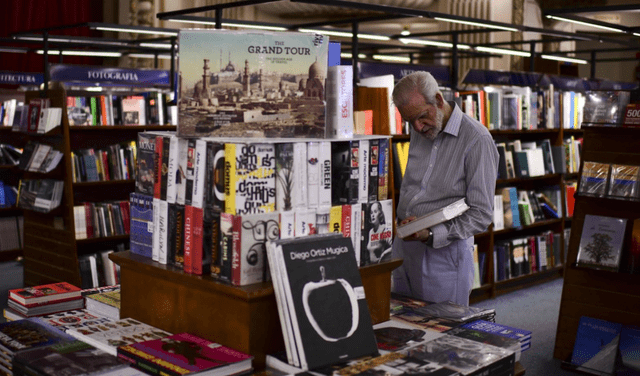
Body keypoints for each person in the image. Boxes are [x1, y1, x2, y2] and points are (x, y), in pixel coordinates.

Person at [391, 71, 498, 306]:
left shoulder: (477, 139)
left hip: (443, 252)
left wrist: (431, 234)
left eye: (421, 117)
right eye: (410, 121)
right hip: (404, 245)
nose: (417, 128)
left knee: (441, 333)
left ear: (439, 101)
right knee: (405, 325)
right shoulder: (422, 129)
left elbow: (481, 214)